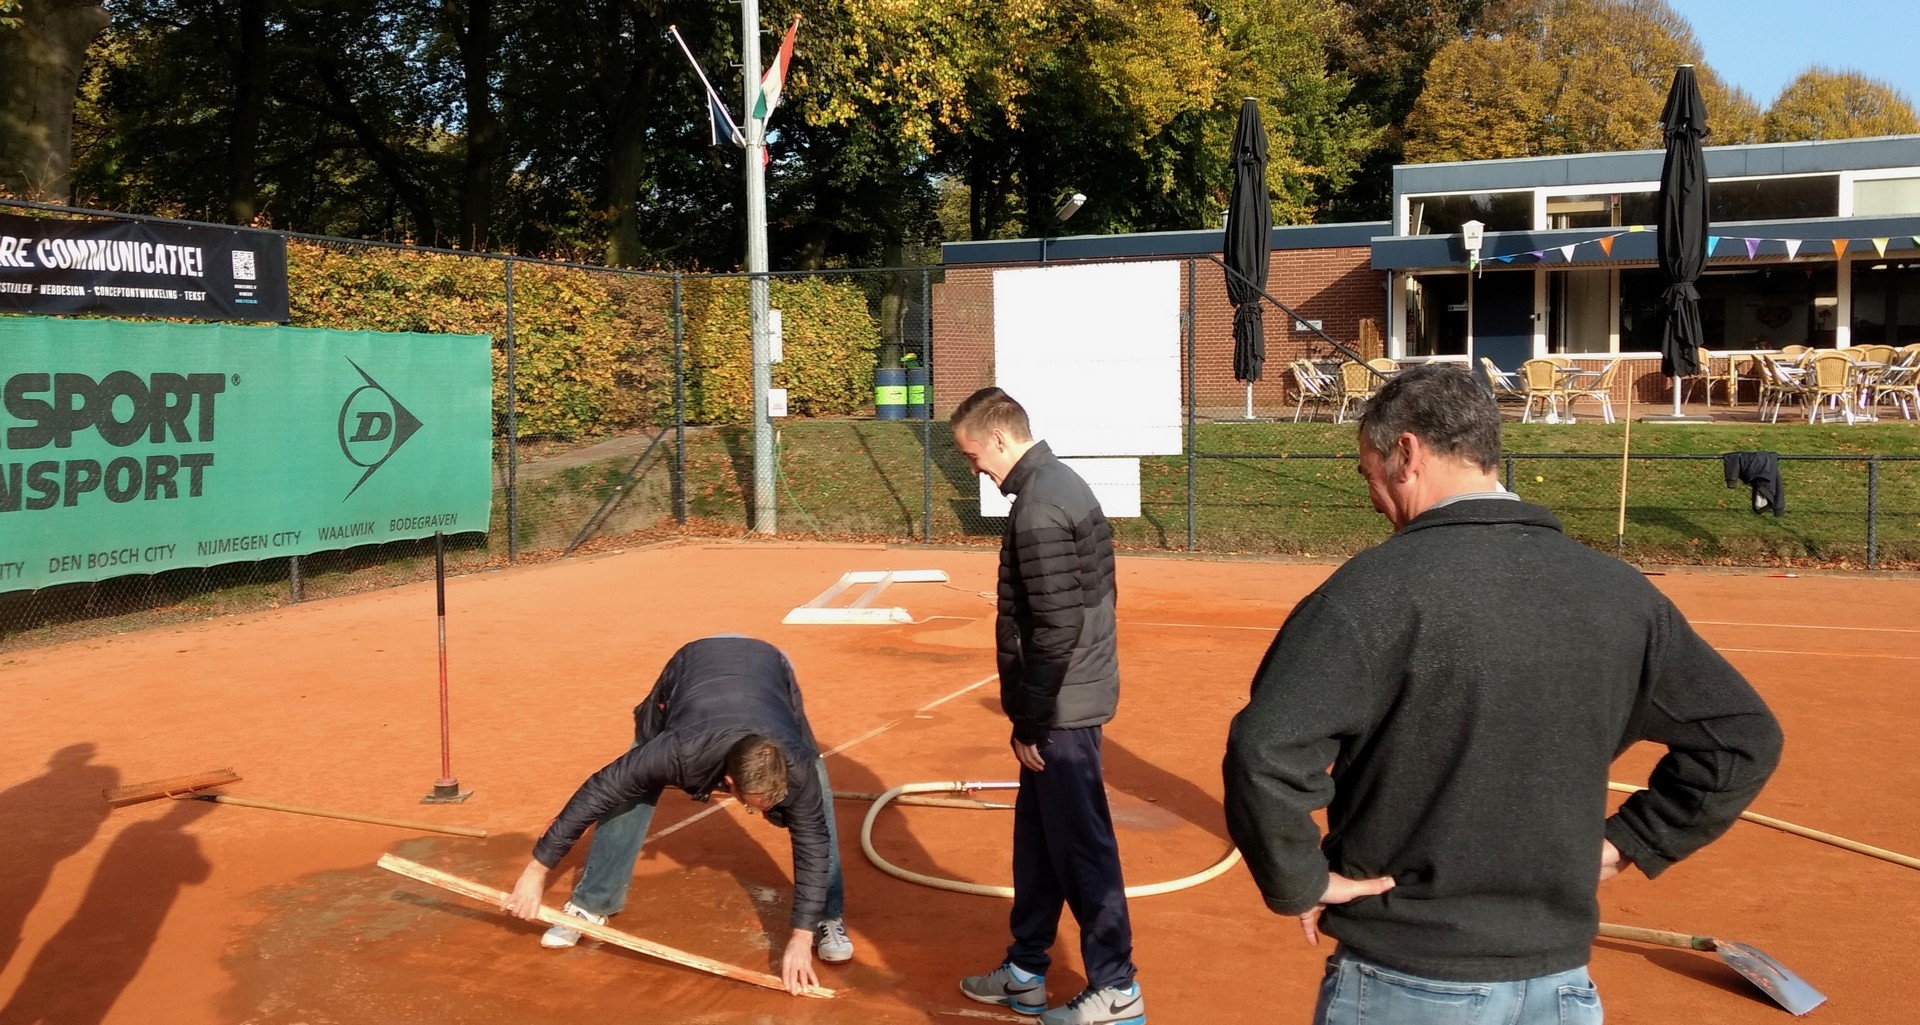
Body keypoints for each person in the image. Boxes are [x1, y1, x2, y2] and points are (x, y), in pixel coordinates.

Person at [1222, 363, 1783, 1025]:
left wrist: (1301, 880)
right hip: (1563, 987)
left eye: (1367, 470)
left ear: (1407, 454)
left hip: (1409, 979)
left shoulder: (1369, 592)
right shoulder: (1620, 593)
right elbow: (1741, 736)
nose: (1371, 493)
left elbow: (1266, 751)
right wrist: (1630, 841)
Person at [501, 635, 852, 995]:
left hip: (767, 667)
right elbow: (598, 791)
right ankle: (592, 902)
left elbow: (812, 842)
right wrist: (536, 870)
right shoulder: (673, 751)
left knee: (816, 803)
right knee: (627, 790)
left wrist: (799, 936)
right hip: (694, 669)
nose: (751, 813)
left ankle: (826, 915)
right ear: (729, 782)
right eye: (750, 805)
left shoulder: (795, 766)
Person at [950, 387, 1144, 1025]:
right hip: (1064, 697)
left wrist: (1031, 721)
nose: (974, 467)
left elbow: (1056, 627)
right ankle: (1027, 970)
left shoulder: (1039, 506)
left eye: (974, 455)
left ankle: (1116, 987)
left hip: (1061, 708)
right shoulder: (1060, 484)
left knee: (1083, 848)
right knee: (1037, 841)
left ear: (1000, 440)